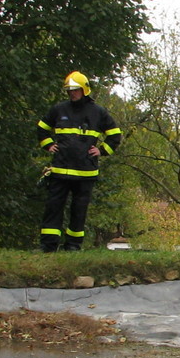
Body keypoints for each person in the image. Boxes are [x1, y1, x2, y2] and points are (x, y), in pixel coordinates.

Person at [37, 71, 121, 252]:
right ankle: (48, 246)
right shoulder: (59, 109)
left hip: (85, 172)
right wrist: (49, 145)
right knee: (53, 207)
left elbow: (115, 135)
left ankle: (73, 246)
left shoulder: (98, 112)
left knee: (79, 210)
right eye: (69, 90)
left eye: (75, 90)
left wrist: (102, 150)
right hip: (60, 170)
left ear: (84, 90)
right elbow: (42, 128)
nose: (72, 93)